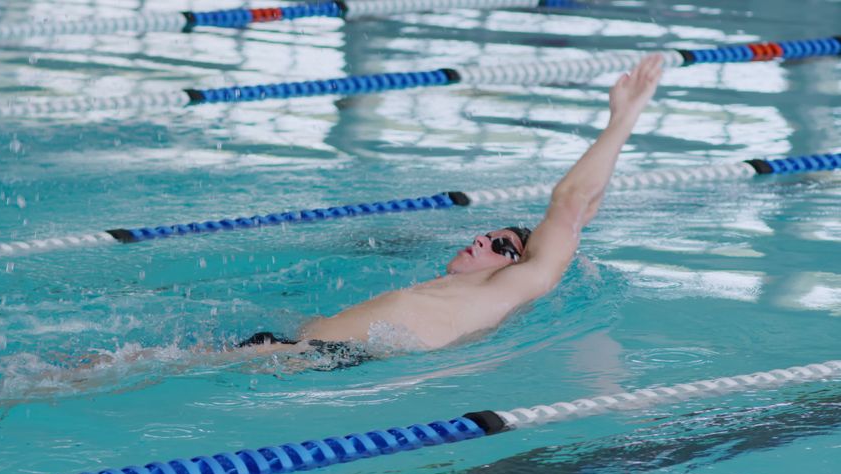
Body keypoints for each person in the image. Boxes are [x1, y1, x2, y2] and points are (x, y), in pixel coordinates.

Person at [238, 54, 665, 364]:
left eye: (501, 245)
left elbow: (572, 205)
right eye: (487, 234)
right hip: (298, 348)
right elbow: (583, 210)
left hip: (322, 360)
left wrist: (622, 120)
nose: (481, 238)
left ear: (520, 263)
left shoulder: (518, 284)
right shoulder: (454, 289)